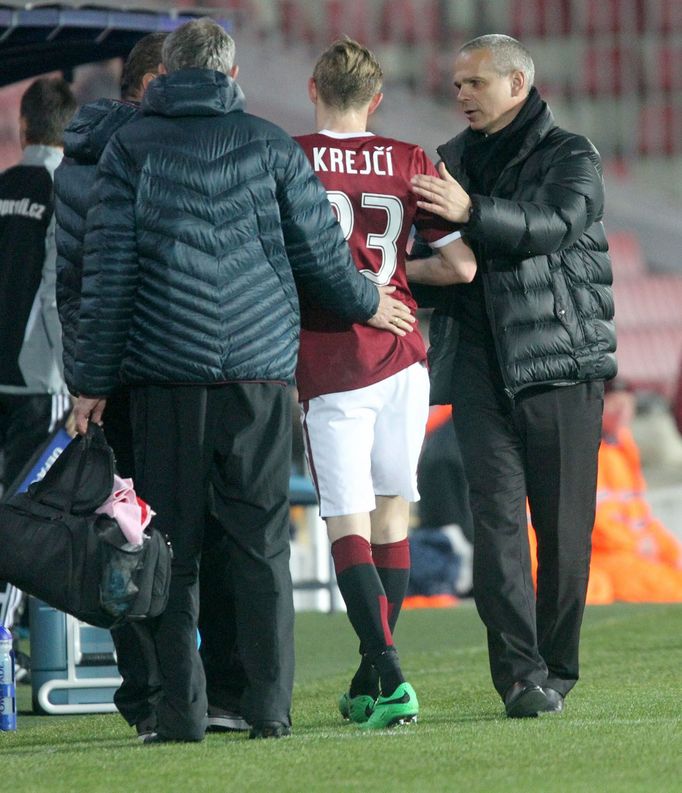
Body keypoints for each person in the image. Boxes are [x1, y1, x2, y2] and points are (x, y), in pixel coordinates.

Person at [70, 18, 413, 743]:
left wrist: (92, 379)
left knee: (173, 550)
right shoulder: (268, 144)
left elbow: (109, 276)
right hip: (258, 377)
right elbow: (321, 256)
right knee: (260, 546)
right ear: (231, 75)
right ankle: (268, 708)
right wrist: (369, 301)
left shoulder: (130, 149)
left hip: (165, 378)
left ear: (165, 77)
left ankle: (182, 712)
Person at [409, 34, 617, 717]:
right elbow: (441, 265)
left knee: (560, 534)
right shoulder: (451, 162)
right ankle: (520, 676)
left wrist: (470, 212)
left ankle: (558, 665)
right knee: (495, 527)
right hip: (478, 366)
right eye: (457, 82)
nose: (460, 93)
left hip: (560, 364)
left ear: (518, 85)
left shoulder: (572, 155)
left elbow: (553, 225)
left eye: (474, 82)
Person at [295, 38, 476, 729]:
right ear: (376, 99)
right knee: (392, 516)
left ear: (314, 87)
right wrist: (393, 282)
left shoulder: (291, 156)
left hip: (334, 355)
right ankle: (372, 679)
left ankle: (391, 674)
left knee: (346, 520)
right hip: (404, 357)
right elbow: (460, 267)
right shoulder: (408, 158)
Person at [54, 32, 167, 741]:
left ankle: (146, 691)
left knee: (122, 527)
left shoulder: (79, 157)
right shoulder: (154, 151)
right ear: (153, 82)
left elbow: (76, 280)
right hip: (164, 368)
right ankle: (193, 688)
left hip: (101, 377)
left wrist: (85, 372)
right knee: (175, 527)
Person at [0, 77, 76, 496]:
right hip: (38, 383)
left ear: (23, 125)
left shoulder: (2, 185)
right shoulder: (61, 192)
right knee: (28, 514)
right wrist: (73, 382)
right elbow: (54, 297)